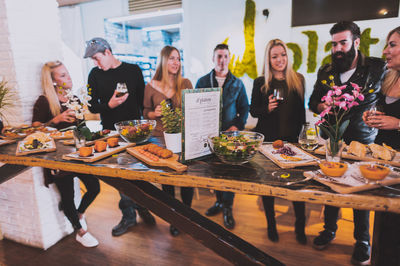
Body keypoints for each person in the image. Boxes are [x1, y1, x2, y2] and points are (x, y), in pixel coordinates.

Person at [308, 21, 385, 265]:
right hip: (331, 140)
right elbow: (312, 103)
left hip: (363, 143)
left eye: (343, 42)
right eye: (334, 44)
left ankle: (362, 241)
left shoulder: (376, 67)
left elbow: (390, 96)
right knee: (332, 186)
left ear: (356, 42)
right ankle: (329, 229)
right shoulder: (326, 70)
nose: (338, 48)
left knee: (359, 193)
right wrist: (324, 106)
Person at [84, 37, 156, 237]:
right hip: (111, 133)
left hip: (135, 133)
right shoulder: (94, 75)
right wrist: (109, 105)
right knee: (120, 176)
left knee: (139, 174)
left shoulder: (133, 70)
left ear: (108, 52)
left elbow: (143, 101)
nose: (96, 64)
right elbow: (91, 105)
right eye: (93, 61)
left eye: (97, 58)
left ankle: (141, 206)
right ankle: (129, 215)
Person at [32, 61, 100, 248]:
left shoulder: (75, 99)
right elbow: (35, 129)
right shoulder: (45, 101)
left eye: (67, 73)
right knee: (67, 196)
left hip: (77, 155)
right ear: (52, 81)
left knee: (94, 187)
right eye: (62, 75)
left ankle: (77, 214)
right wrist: (56, 119)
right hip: (57, 159)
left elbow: (81, 128)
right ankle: (80, 231)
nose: (68, 77)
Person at [250, 39, 307, 244]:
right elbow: (253, 110)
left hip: (292, 144)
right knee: (268, 187)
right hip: (267, 144)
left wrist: (299, 141)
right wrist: (267, 109)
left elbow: (301, 114)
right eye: (274, 56)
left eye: (282, 55)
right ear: (269, 59)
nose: (279, 59)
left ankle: (300, 227)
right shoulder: (260, 82)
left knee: (297, 186)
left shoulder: (298, 79)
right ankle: (271, 225)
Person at [195, 43, 249, 230]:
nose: (222, 60)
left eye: (225, 56)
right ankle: (218, 202)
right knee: (214, 172)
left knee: (229, 174)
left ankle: (228, 207)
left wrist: (237, 125)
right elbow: (195, 107)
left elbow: (245, 108)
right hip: (208, 137)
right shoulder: (202, 82)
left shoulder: (237, 83)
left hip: (230, 136)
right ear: (213, 58)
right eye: (219, 56)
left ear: (229, 58)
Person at [143, 46, 194, 236]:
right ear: (163, 61)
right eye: (172, 58)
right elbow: (145, 111)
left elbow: (193, 108)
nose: (176, 62)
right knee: (168, 180)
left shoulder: (186, 83)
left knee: (188, 178)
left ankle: (187, 213)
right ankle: (175, 217)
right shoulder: (151, 86)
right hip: (160, 138)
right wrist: (152, 113)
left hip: (183, 138)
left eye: (178, 59)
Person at [362, 26, 400, 265]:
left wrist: (397, 123)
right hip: (384, 164)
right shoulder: (388, 77)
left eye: (393, 45)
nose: (385, 50)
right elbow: (385, 117)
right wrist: (372, 118)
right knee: (384, 224)